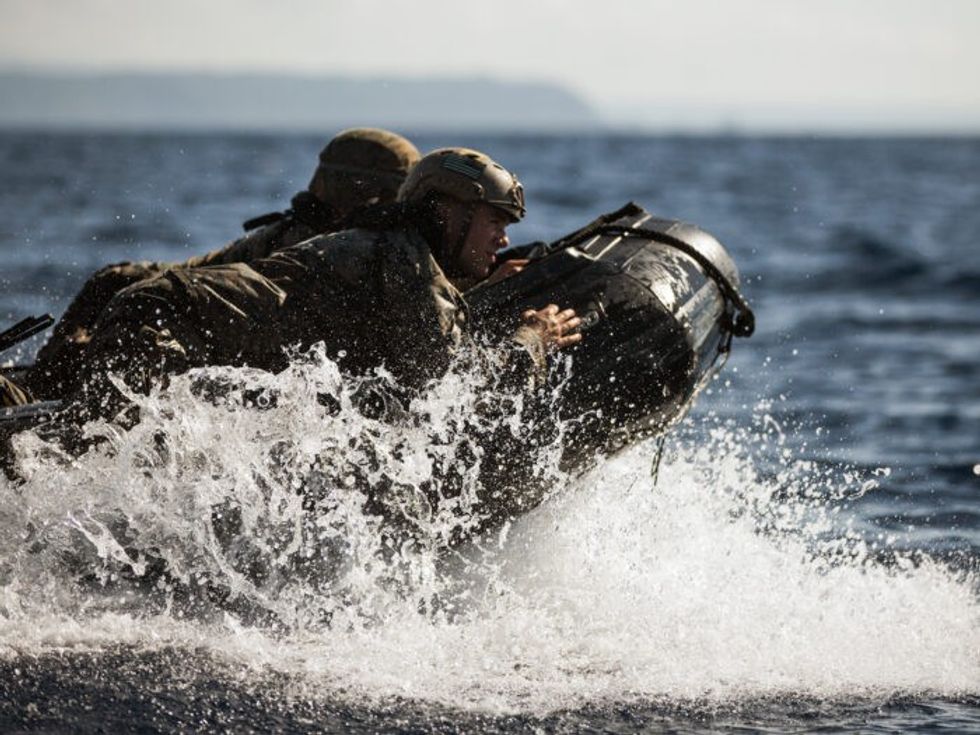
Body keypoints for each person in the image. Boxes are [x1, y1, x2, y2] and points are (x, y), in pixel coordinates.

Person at [26, 127, 421, 402]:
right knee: (118, 283)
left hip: (267, 358)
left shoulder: (362, 248)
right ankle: (44, 389)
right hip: (247, 351)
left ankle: (47, 388)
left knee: (122, 288)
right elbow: (207, 273)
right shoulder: (303, 235)